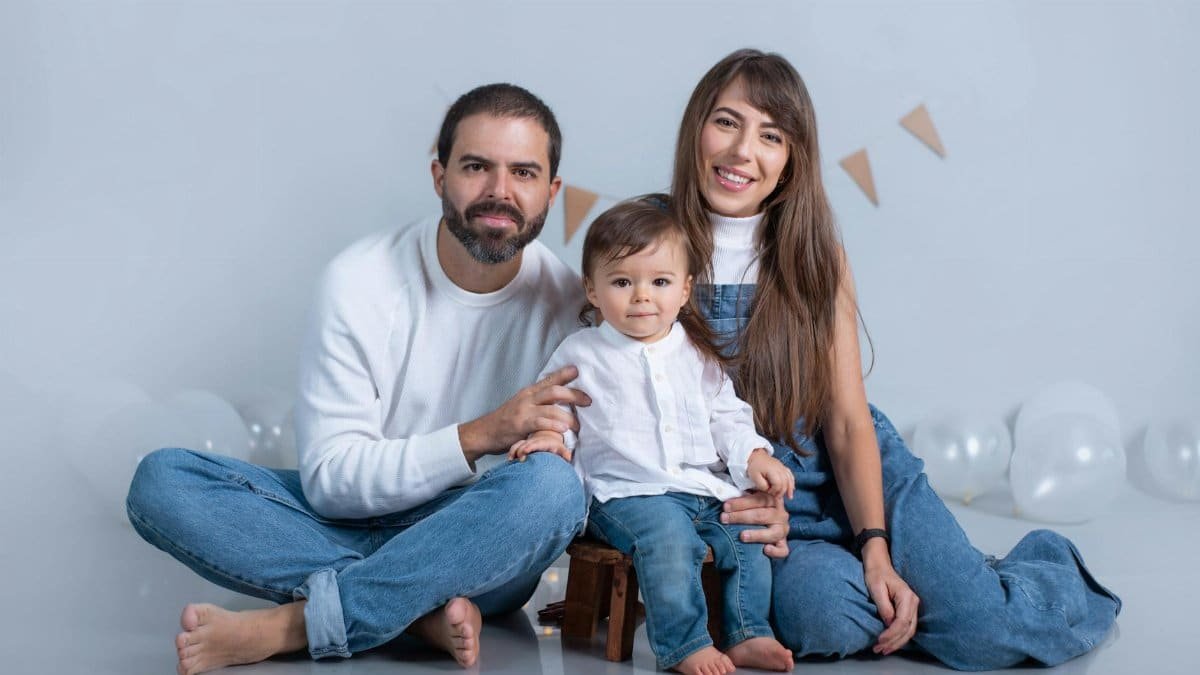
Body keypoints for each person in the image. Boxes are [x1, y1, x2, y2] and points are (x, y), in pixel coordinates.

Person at [124, 83, 597, 674]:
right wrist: (481, 434)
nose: (499, 191)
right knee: (162, 480)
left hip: (474, 538)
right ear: (439, 176)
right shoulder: (359, 280)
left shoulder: (574, 309)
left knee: (554, 489)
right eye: (477, 166)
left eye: (523, 172)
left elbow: (567, 485)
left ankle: (296, 626)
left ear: (552, 191)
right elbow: (329, 484)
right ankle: (413, 611)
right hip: (345, 522)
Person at [672, 48, 1122, 670]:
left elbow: (846, 421)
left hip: (852, 472)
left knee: (982, 632)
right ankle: (934, 590)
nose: (743, 150)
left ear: (791, 160)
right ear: (696, 127)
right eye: (727, 122)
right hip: (765, 511)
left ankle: (1022, 572)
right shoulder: (647, 244)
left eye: (770, 135)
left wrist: (876, 547)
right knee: (824, 619)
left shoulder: (814, 256)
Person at [509, 198, 796, 675]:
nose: (642, 296)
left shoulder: (696, 352)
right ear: (592, 289)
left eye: (659, 282)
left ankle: (748, 632)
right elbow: (558, 407)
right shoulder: (582, 353)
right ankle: (683, 644)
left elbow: (726, 415)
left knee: (746, 538)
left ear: (684, 289)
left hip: (702, 486)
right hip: (627, 493)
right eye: (623, 282)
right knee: (669, 539)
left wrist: (753, 456)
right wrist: (550, 439)